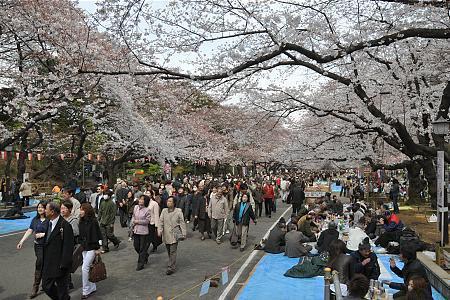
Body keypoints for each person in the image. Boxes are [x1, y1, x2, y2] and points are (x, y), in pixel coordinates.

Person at [41, 202, 74, 300]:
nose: (44, 211)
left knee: (62, 290)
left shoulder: (65, 225)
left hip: (60, 264)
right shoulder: (48, 223)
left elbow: (68, 247)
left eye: (46, 209)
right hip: (48, 262)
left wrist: (64, 264)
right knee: (46, 286)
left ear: (52, 211)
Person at [17, 201, 49, 299]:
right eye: (38, 207)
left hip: (48, 246)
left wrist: (43, 234)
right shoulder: (35, 219)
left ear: (46, 209)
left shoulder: (50, 220)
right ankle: (35, 287)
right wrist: (21, 241)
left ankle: (46, 283)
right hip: (38, 246)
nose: (40, 209)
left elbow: (54, 231)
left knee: (47, 264)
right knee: (39, 263)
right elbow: (30, 230)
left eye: (42, 207)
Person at [78, 203, 102, 299]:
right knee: (88, 268)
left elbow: (98, 235)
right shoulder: (81, 221)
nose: (80, 211)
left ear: (87, 211)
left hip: (92, 247)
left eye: (82, 209)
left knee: (85, 268)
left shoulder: (93, 221)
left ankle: (86, 290)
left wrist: (97, 248)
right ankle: (92, 286)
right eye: (80, 209)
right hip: (84, 247)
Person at [158, 196, 187, 275]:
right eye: (168, 201)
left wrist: (184, 233)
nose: (168, 202)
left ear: (174, 203)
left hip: (175, 233)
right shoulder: (164, 211)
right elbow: (160, 221)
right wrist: (159, 230)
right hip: (166, 233)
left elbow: (182, 222)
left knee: (173, 251)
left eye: (170, 201)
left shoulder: (178, 211)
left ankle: (171, 267)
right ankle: (171, 262)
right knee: (169, 250)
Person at [60, 200, 79, 290]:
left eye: (64, 208)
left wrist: (64, 232)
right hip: (61, 245)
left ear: (70, 209)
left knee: (65, 265)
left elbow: (76, 232)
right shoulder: (60, 219)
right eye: (61, 208)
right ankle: (68, 282)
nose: (62, 210)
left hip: (69, 245)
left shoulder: (73, 220)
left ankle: (67, 284)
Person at [132, 195, 151, 271]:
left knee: (142, 248)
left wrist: (138, 221)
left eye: (142, 199)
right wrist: (133, 221)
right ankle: (145, 255)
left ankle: (140, 264)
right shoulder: (136, 207)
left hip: (143, 231)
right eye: (140, 199)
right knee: (136, 246)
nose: (140, 200)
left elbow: (147, 221)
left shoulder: (147, 210)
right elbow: (133, 216)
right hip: (136, 230)